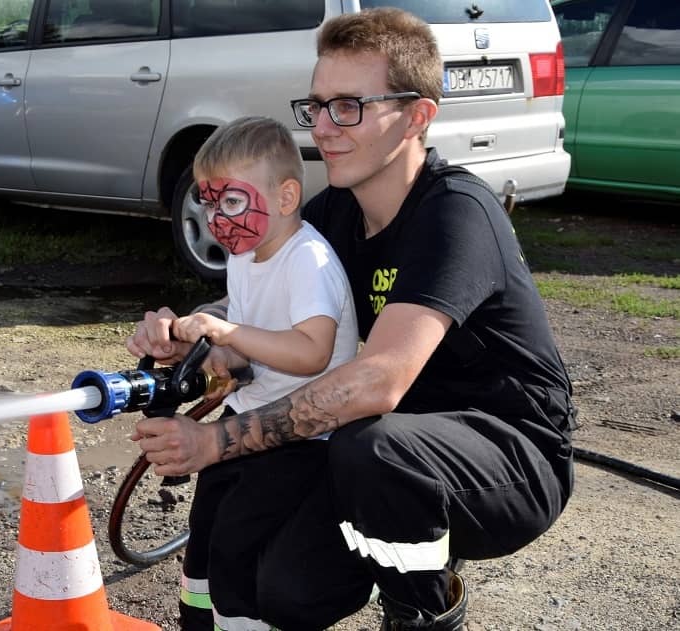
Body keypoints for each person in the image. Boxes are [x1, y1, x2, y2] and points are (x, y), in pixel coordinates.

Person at [126, 8, 574, 631]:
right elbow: (263, 302)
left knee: (374, 449)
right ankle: (395, 537)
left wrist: (215, 442)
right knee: (286, 592)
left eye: (349, 107)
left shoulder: (455, 215)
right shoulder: (337, 211)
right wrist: (192, 334)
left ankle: (422, 607)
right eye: (316, 106)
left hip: (508, 456)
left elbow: (377, 381)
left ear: (417, 117)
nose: (323, 128)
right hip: (391, 445)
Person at [146, 115, 359, 629]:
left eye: (231, 202)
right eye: (208, 203)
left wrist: (228, 332)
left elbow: (312, 353)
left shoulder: (307, 261)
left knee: (238, 547)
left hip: (299, 438)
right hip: (246, 416)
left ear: (285, 198)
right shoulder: (246, 253)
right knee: (205, 537)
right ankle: (199, 620)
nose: (216, 218)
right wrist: (186, 345)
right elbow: (244, 349)